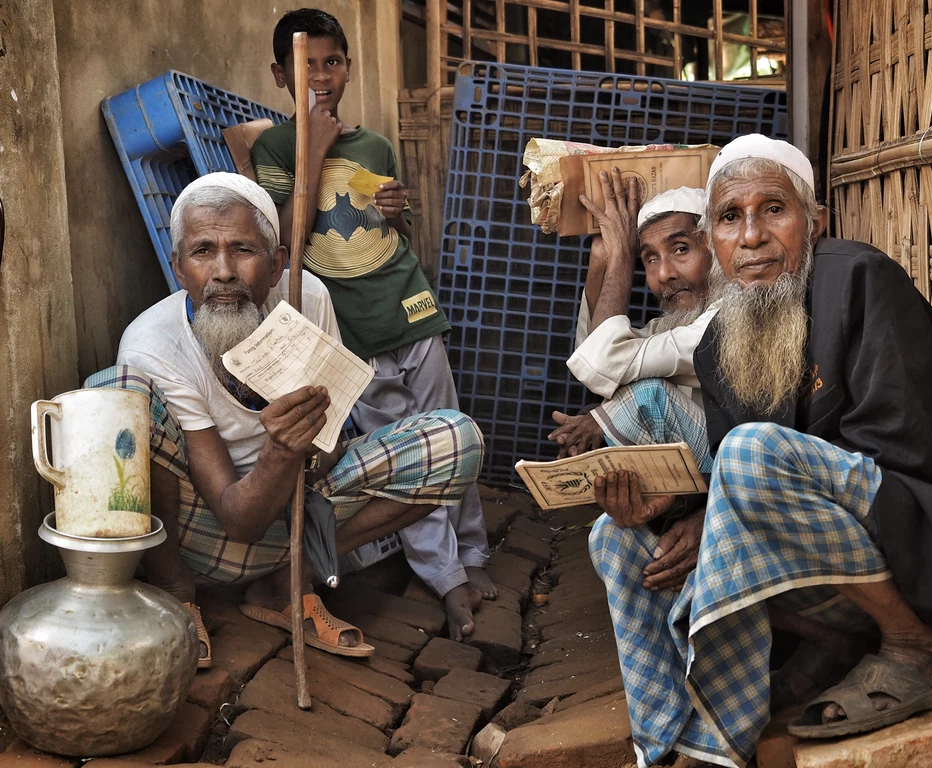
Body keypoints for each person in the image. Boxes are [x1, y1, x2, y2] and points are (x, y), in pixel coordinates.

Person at [587, 134, 932, 768]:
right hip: (837, 558)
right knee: (616, 540)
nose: (753, 236)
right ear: (715, 242)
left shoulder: (860, 279)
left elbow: (905, 447)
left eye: (774, 210)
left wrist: (728, 499)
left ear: (814, 223)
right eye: (730, 218)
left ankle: (920, 649)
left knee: (748, 454)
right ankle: (675, 744)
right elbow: (732, 481)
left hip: (931, 538)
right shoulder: (718, 343)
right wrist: (667, 512)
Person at [86, 173, 484, 668]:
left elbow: (332, 447)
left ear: (276, 265)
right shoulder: (152, 345)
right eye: (203, 251)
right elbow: (238, 519)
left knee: (456, 439)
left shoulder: (306, 298)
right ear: (178, 269)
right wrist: (281, 450)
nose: (224, 271)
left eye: (243, 250)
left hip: (300, 527)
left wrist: (313, 450)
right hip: (202, 534)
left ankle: (289, 583)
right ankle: (174, 592)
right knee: (113, 393)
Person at [250, 8, 494, 641]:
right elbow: (286, 242)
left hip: (409, 307)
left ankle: (473, 553)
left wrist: (397, 207)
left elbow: (395, 232)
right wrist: (314, 149)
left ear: (349, 67)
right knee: (408, 454)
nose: (322, 76)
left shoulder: (377, 144)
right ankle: (444, 577)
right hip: (352, 331)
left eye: (332, 62)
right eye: (308, 65)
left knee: (451, 427)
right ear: (282, 74)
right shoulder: (275, 149)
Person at [548, 171, 717, 468]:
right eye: (650, 259)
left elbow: (605, 360)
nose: (665, 274)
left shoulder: (722, 322)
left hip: (732, 475)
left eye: (680, 249)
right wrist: (602, 258)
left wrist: (622, 255)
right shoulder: (675, 325)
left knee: (646, 393)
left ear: (716, 250)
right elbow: (593, 360)